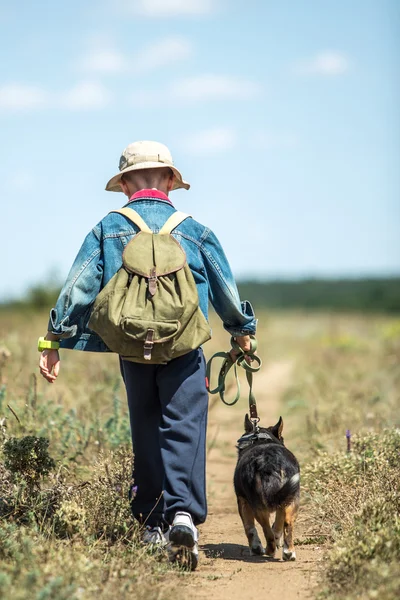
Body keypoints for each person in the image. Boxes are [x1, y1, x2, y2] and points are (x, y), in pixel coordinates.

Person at [38, 140, 257, 570]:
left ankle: (152, 523)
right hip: (185, 346)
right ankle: (182, 515)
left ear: (123, 186)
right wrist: (242, 331)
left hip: (133, 349)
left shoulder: (108, 226)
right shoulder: (194, 229)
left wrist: (53, 339)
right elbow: (224, 289)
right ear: (172, 180)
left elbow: (79, 284)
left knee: (145, 426)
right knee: (185, 426)